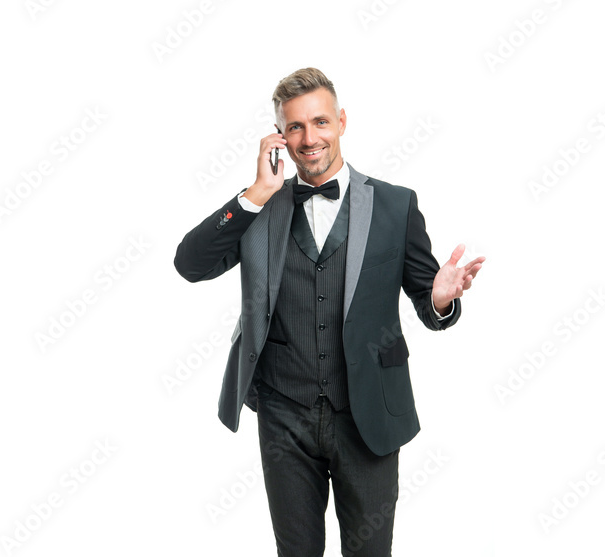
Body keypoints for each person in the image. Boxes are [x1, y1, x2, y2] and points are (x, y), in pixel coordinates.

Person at [174, 67, 484, 556]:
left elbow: (428, 304)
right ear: (279, 135)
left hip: (369, 412)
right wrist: (256, 193)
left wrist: (441, 299)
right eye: (295, 127)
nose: (309, 138)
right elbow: (190, 265)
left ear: (341, 121)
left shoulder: (395, 205)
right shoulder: (260, 208)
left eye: (320, 122)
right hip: (284, 413)